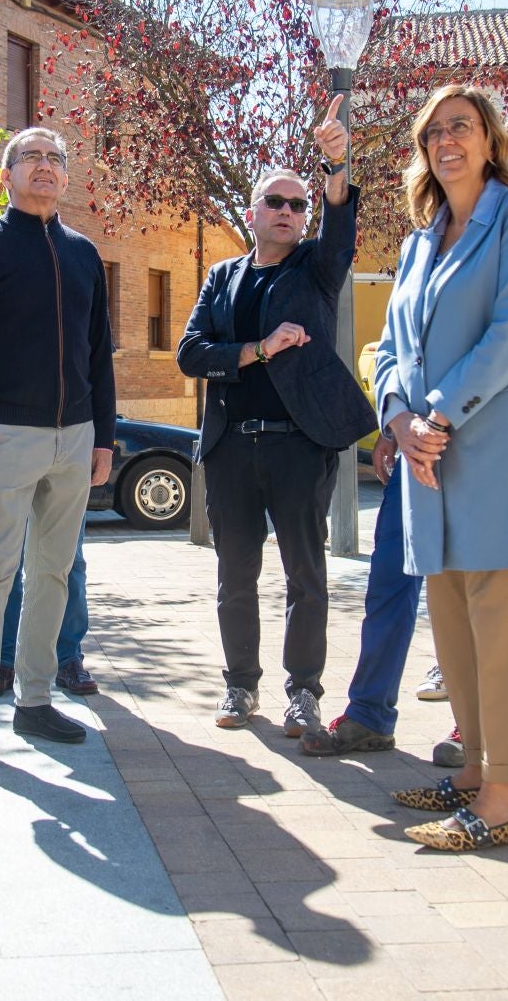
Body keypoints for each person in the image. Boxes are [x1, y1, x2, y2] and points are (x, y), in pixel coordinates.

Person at [306, 83, 508, 856]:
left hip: (498, 452)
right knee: (454, 626)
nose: (446, 141)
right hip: (426, 457)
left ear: (490, 140)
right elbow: (391, 347)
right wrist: (395, 417)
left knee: (503, 631)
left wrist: (439, 412)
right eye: (433, 134)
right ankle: (471, 772)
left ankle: (500, 800)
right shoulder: (421, 241)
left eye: (462, 127)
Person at [177, 96, 371, 736]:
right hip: (232, 448)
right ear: (253, 212)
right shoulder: (221, 276)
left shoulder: (317, 269)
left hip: (298, 447)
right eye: (276, 202)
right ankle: (239, 687)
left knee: (305, 579)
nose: (288, 212)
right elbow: (189, 353)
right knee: (236, 578)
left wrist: (334, 165)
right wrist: (258, 350)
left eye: (297, 204)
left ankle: (303, 693)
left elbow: (339, 226)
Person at [0, 126, 115, 771]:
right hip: (7, 437)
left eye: (55, 158)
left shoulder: (84, 254)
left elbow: (99, 355)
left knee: (55, 574)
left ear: (67, 178)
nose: (44, 166)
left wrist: (106, 437)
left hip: (77, 439)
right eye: (30, 157)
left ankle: (36, 699)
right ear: (6, 175)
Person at [0, 521, 94, 698]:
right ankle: (5, 660)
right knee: (7, 564)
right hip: (11, 492)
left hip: (66, 492)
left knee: (71, 562)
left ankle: (69, 659)